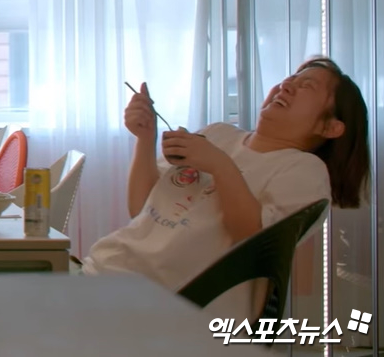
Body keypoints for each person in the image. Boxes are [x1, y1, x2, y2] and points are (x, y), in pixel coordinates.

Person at [80, 57, 370, 321]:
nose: (286, 86)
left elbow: (255, 240)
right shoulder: (218, 134)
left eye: (306, 86)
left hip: (171, 307)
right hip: (109, 273)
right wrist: (145, 138)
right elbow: (142, 207)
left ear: (330, 127)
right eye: (289, 80)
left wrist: (219, 165)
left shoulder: (304, 170)